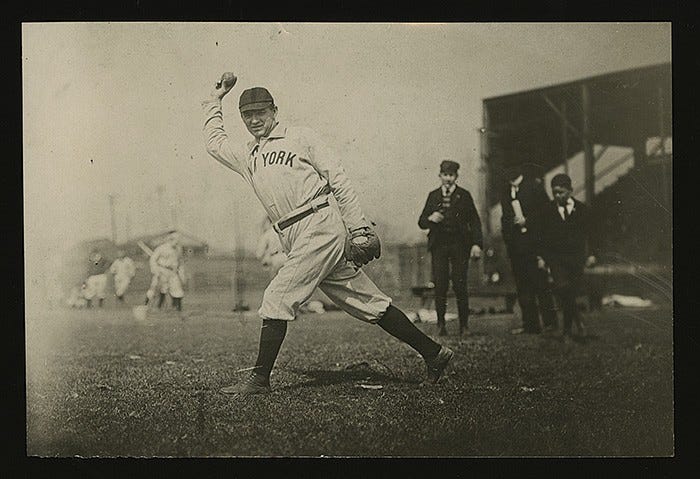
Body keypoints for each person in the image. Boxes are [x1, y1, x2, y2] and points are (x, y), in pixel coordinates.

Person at [202, 73, 453, 397]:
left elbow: (339, 179)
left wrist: (358, 225)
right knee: (368, 302)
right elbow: (214, 143)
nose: (254, 120)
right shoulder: (249, 154)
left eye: (260, 112)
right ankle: (434, 353)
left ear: (274, 111)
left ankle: (260, 380)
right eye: (247, 115)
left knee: (277, 297)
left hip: (319, 224)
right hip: (292, 234)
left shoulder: (301, 137)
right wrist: (215, 99)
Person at [418, 160, 483, 337]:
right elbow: (421, 222)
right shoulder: (433, 196)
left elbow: (475, 221)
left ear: (456, 177)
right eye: (445, 175)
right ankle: (441, 325)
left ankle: (464, 326)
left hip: (459, 246)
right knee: (440, 285)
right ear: (440, 176)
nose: (448, 179)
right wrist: (431, 217)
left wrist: (477, 244)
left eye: (451, 175)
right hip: (439, 246)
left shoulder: (464, 195)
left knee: (460, 284)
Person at [537, 173, 596, 340]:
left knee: (570, 292)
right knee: (563, 288)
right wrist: (541, 257)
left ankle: (571, 326)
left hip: (576, 258)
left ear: (570, 191)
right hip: (556, 259)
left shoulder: (583, 210)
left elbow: (591, 235)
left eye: (561, 192)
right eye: (554, 192)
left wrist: (591, 254)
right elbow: (541, 237)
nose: (557, 196)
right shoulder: (547, 210)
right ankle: (572, 327)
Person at [499, 164, 558, 335]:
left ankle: (550, 323)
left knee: (541, 284)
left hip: (535, 244)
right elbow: (505, 219)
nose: (506, 171)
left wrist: (528, 222)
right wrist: (509, 237)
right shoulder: (506, 192)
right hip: (517, 247)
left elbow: (547, 213)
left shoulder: (534, 187)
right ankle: (530, 324)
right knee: (523, 287)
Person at [144, 231, 185, 312]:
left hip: (173, 272)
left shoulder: (178, 250)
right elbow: (153, 259)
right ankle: (146, 306)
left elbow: (180, 262)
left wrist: (182, 275)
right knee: (155, 288)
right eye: (175, 239)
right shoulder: (161, 248)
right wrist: (155, 270)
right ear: (170, 239)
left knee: (177, 289)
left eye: (178, 240)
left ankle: (178, 309)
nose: (177, 242)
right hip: (161, 270)